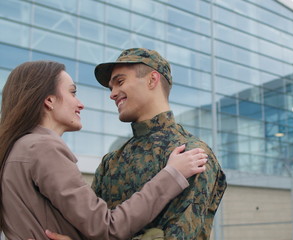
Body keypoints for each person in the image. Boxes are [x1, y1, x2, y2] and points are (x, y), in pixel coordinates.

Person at [0, 61, 208, 240]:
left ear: (153, 80)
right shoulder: (43, 148)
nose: (80, 104)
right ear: (49, 100)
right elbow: (107, 228)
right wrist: (172, 175)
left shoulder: (18, 149)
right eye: (72, 92)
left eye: (120, 82)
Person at [91, 48, 227, 239]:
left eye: (119, 82)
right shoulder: (111, 161)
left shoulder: (191, 154)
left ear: (152, 80)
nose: (112, 94)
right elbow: (90, 228)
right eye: (110, 87)